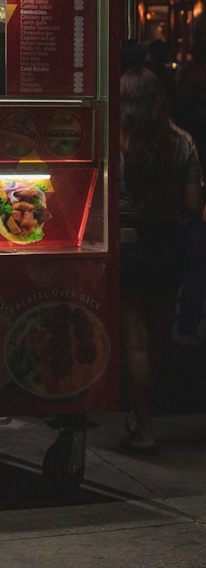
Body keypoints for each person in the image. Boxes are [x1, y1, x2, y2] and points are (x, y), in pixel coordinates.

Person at [118, 65, 205, 454]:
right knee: (156, 342)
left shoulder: (114, 141)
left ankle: (144, 426)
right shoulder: (183, 143)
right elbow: (192, 205)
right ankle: (142, 417)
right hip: (168, 243)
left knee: (133, 341)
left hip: (127, 243)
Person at [174, 39, 206, 346]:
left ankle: (183, 322)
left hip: (181, 187)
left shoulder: (184, 82)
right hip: (194, 185)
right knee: (195, 261)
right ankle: (189, 323)